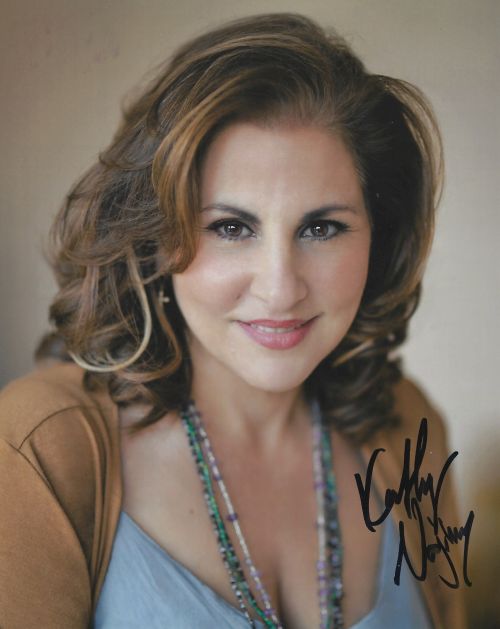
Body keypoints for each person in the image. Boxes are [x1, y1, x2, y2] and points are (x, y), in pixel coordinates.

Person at [0, 12, 466, 629]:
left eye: (321, 228)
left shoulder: (409, 428)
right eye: (230, 227)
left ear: (379, 238)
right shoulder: (38, 449)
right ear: (154, 237)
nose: (280, 288)